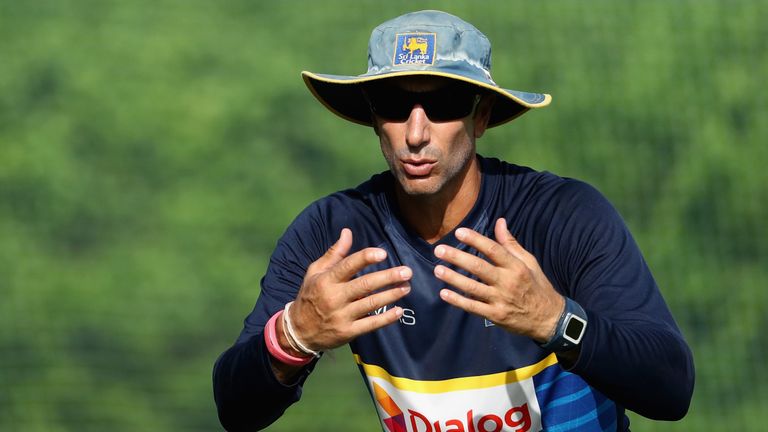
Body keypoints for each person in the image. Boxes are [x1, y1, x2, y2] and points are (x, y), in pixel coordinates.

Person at [213, 10, 694, 432]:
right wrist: (294, 335)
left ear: (480, 116)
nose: (416, 133)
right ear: (374, 118)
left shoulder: (564, 215)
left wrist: (554, 320)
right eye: (395, 106)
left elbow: (671, 389)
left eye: (442, 105)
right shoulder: (333, 234)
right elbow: (235, 411)